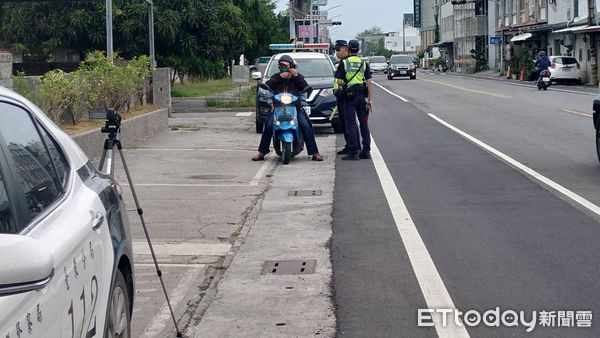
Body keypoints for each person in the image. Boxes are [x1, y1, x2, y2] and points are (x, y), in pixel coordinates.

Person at [252, 54, 323, 161]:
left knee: (306, 125)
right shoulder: (276, 77)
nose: (283, 67)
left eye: (286, 65)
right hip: (278, 107)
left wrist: (296, 75)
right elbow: (268, 85)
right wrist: (280, 77)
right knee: (269, 125)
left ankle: (315, 153)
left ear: (292, 66)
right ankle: (262, 152)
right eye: (281, 65)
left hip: (295, 107)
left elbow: (304, 85)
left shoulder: (297, 77)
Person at [334, 40, 373, 160]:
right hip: (361, 96)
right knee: (363, 123)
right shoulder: (363, 63)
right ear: (359, 50)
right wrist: (369, 100)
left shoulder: (344, 63)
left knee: (350, 123)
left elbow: (339, 80)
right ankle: (366, 150)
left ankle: (353, 151)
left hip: (349, 96)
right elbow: (369, 82)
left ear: (348, 49)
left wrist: (345, 84)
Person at [333, 40, 350, 154]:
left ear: (345, 48)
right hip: (340, 96)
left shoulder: (346, 62)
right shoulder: (341, 62)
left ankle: (352, 145)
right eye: (335, 50)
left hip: (346, 96)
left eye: (338, 50)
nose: (336, 52)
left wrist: (341, 88)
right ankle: (349, 144)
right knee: (344, 122)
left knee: (348, 122)